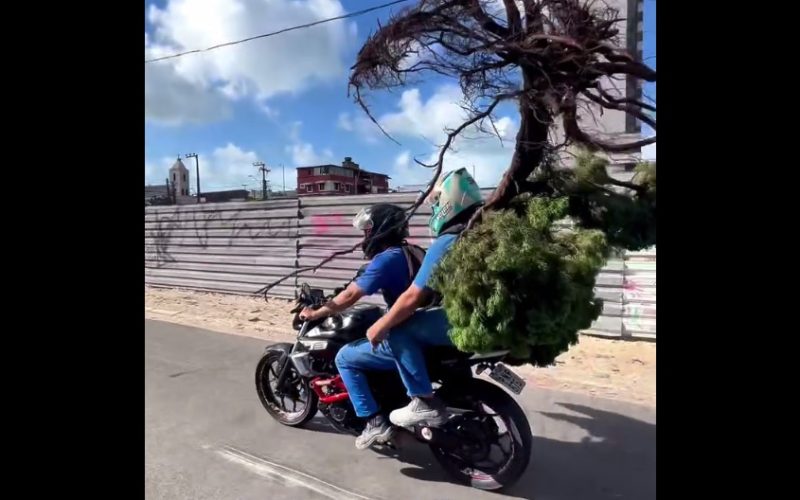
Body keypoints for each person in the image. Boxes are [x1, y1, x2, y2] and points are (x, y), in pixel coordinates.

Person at [364, 168, 483, 429]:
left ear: (449, 203)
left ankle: (423, 402)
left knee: (399, 328)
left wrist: (380, 326)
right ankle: (464, 394)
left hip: (469, 319)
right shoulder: (482, 233)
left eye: (437, 202)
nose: (434, 208)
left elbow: (413, 297)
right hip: (486, 316)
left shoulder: (449, 240)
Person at [300, 204, 424, 450]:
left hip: (407, 332)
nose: (365, 237)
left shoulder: (387, 259)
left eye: (368, 230)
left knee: (346, 357)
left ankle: (373, 421)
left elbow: (349, 297)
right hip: (424, 325)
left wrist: (317, 311)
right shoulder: (416, 252)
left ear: (380, 230)